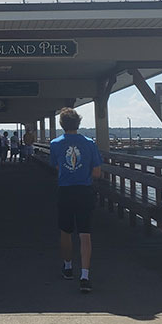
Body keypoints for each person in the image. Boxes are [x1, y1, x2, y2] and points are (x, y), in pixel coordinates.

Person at [49, 107, 102, 294]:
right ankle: (85, 276)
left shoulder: (55, 144)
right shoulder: (89, 143)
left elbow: (57, 166)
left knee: (65, 231)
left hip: (65, 191)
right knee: (85, 234)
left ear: (62, 124)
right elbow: (97, 171)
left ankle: (68, 266)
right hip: (84, 191)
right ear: (78, 123)